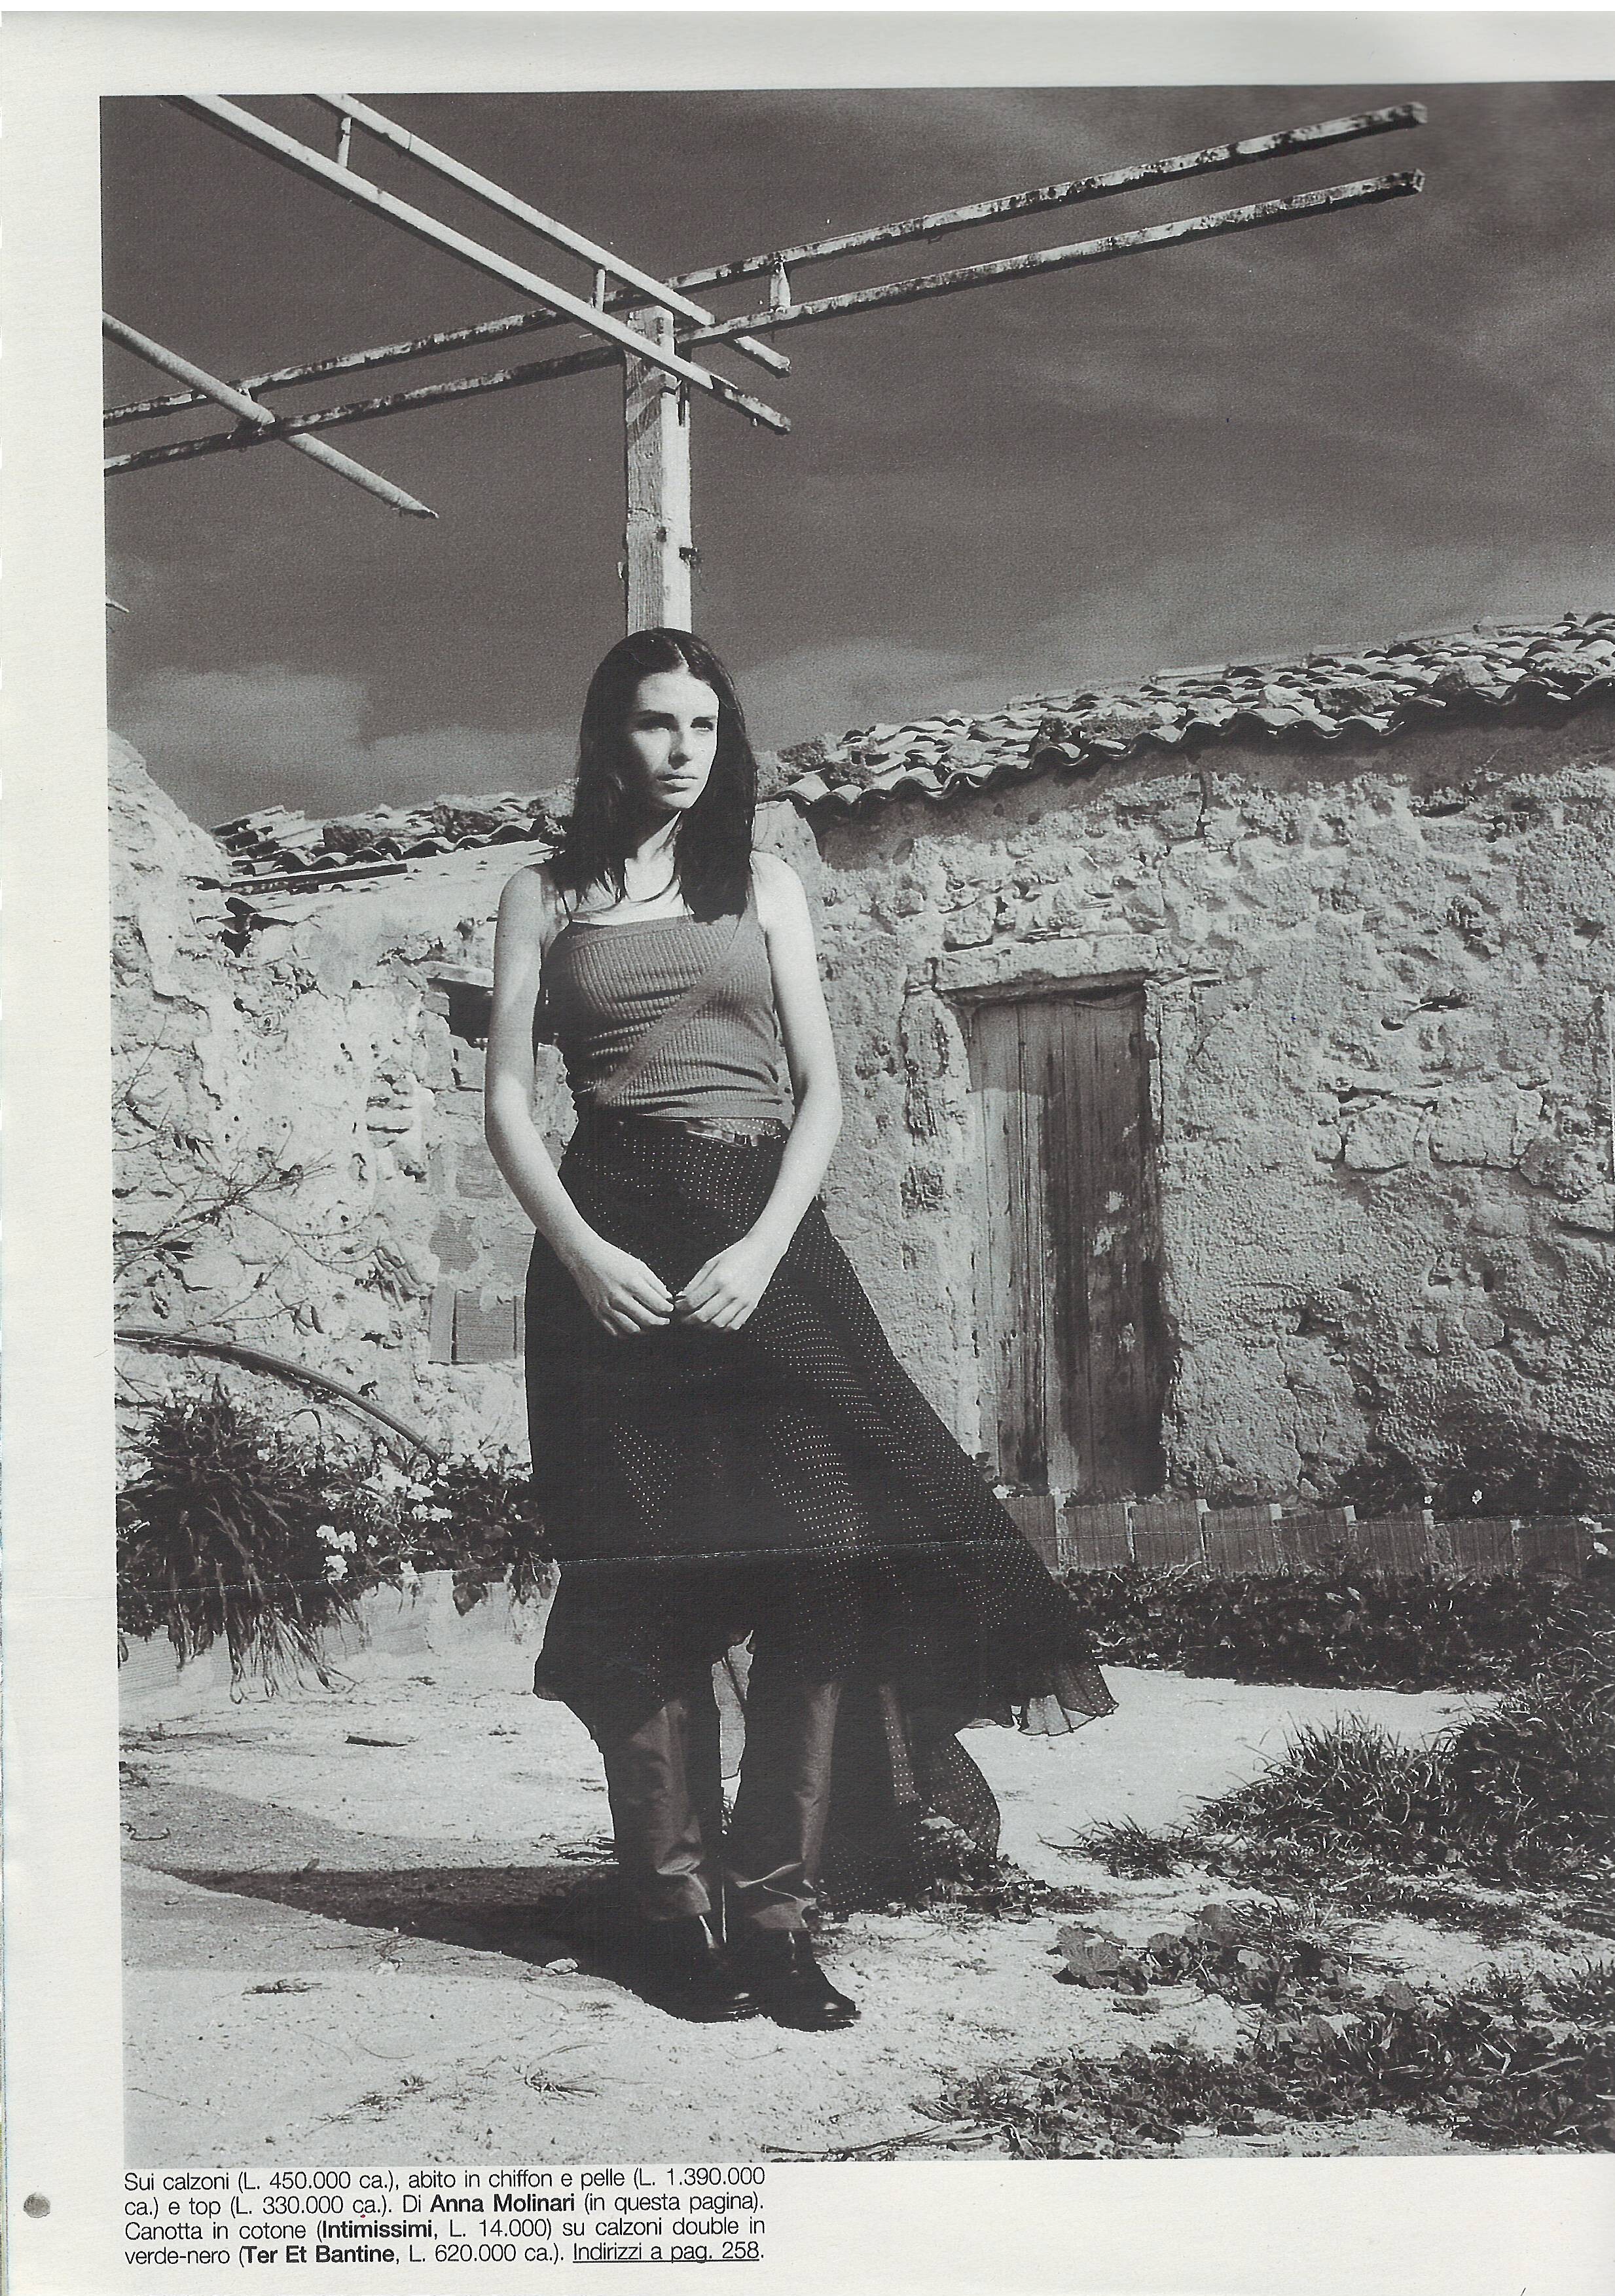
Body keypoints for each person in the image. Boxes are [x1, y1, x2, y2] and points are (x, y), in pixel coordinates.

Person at [485, 629, 1114, 2030]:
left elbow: (823, 1090)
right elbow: (511, 1103)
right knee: (646, 1574)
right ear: (608, 737)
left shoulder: (760, 884)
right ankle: (671, 1920)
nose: (683, 749)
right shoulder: (542, 895)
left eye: (705, 725)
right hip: (610, 1251)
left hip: (763, 1245)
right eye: (656, 723)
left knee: (822, 1560)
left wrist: (765, 1246)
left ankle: (776, 1916)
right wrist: (583, 1252)